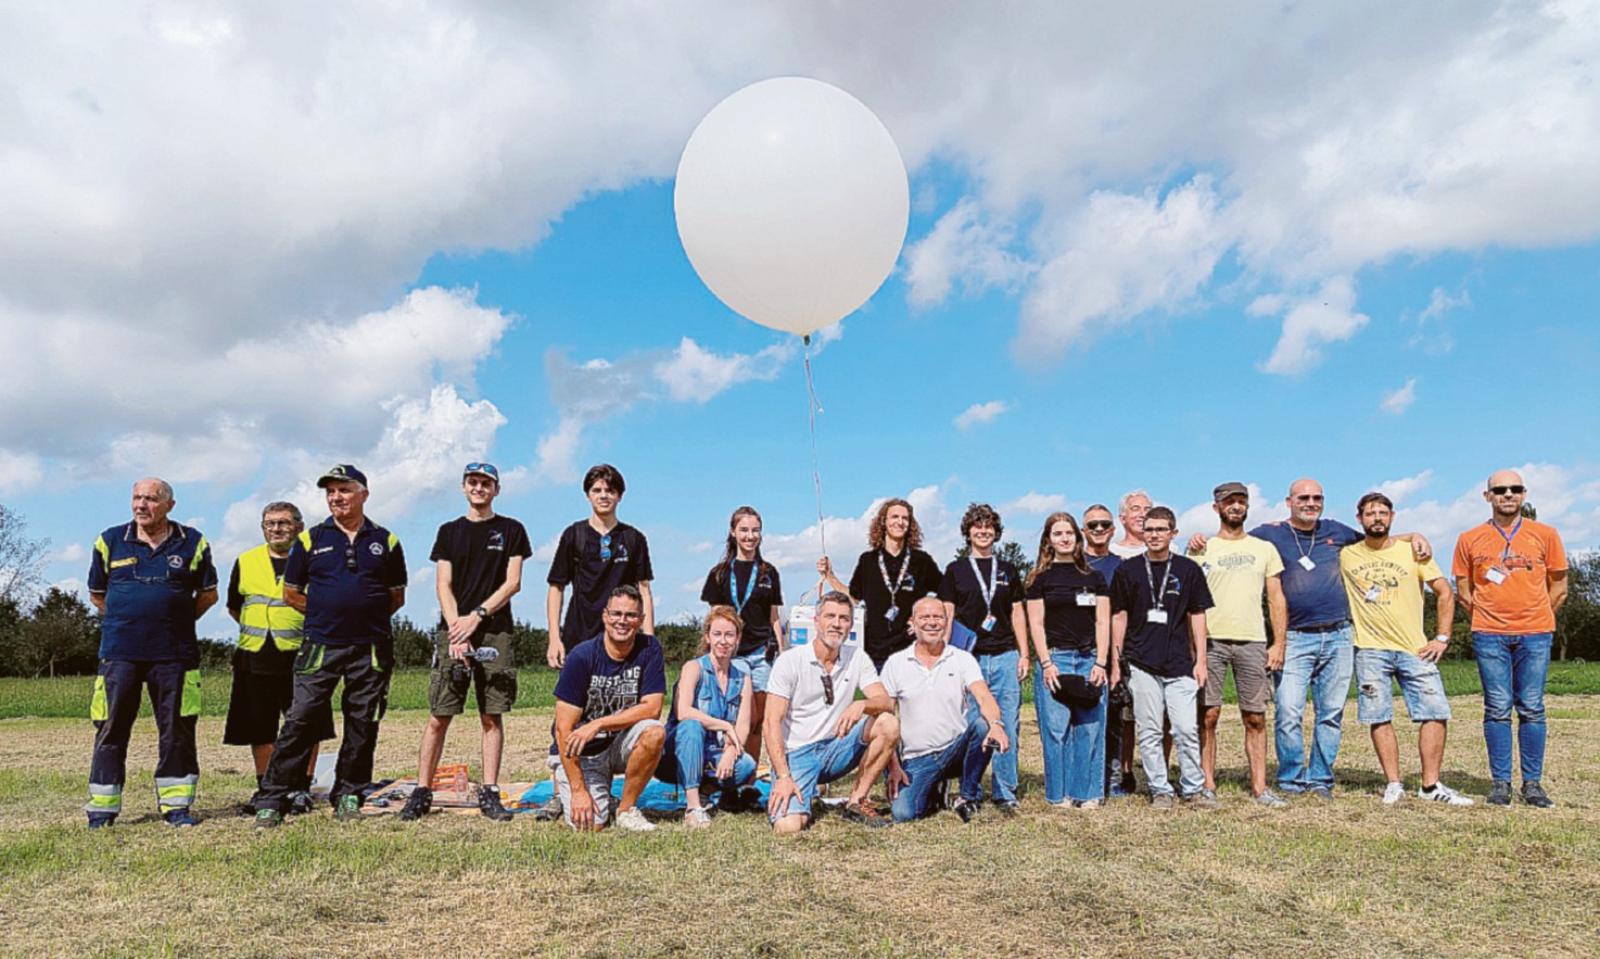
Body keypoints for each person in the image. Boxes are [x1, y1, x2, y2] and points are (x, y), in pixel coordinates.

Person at [1213, 478, 1432, 800]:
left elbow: (1377, 540)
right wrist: (1200, 541)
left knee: (1330, 713)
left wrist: (1414, 536)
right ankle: (1290, 778)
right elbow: (1234, 539)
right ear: (1289, 502)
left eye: (1317, 498)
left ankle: (1320, 778)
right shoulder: (1270, 534)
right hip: (1295, 637)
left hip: (1339, 635)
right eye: (1303, 497)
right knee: (1288, 710)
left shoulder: (1337, 531)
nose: (1310, 503)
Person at [254, 465, 407, 827]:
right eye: (331, 492)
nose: (337, 497)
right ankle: (273, 797)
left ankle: (349, 793)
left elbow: (395, 596)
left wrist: (360, 615)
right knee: (300, 718)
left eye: (344, 490)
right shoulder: (310, 540)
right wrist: (327, 612)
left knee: (363, 721)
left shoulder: (385, 540)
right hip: (321, 644)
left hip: (370, 646)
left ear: (363, 494)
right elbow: (291, 593)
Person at [400, 462, 530, 823]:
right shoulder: (448, 532)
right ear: (463, 487)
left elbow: (513, 582)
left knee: (492, 714)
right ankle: (422, 792)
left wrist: (478, 616)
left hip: (495, 629)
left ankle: (489, 792)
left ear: (496, 489)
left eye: (486, 483)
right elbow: (443, 583)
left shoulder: (512, 530)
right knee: (440, 715)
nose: (479, 488)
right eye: (473, 482)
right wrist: (457, 626)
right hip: (453, 628)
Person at [85, 478, 217, 828]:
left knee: (177, 729)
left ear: (170, 505)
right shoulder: (109, 540)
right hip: (120, 653)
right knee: (111, 728)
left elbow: (208, 595)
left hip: (175, 654)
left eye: (151, 499)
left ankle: (176, 807)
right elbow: (98, 595)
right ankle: (103, 808)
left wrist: (171, 620)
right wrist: (128, 618)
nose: (142, 505)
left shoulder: (193, 542)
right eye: (137, 498)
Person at [1342, 493, 1472, 806]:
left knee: (1436, 712)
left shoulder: (1413, 552)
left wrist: (1442, 637)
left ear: (1392, 516)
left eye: (1383, 513)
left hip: (1415, 648)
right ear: (1359, 518)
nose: (1377, 518)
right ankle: (1394, 783)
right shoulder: (1347, 554)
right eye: (1370, 513)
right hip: (1370, 648)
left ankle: (1430, 785)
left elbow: (1444, 592)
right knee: (1379, 715)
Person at [1452, 469, 1569, 807]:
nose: (1507, 495)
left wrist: (1537, 615)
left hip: (1535, 634)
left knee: (1532, 708)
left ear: (1523, 494)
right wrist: (1488, 615)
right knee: (1497, 709)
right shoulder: (1469, 538)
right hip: (1490, 635)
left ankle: (1532, 784)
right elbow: (1463, 589)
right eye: (1499, 490)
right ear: (1487, 496)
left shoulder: (1545, 534)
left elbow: (1559, 585)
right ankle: (1500, 783)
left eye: (1514, 489)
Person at [222, 501, 333, 816]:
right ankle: (266, 787)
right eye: (270, 523)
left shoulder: (315, 560)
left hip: (304, 655)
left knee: (310, 725)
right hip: (255, 656)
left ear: (299, 526)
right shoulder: (245, 561)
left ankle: (300, 788)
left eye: (284, 523)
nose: (276, 529)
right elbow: (235, 606)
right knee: (260, 728)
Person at [765, 591, 901, 833]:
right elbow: (771, 723)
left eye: (844, 618)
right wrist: (784, 776)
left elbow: (886, 702)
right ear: (816, 621)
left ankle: (856, 801)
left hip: (837, 747)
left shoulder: (857, 657)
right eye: (830, 616)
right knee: (788, 827)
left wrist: (862, 705)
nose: (837, 624)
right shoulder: (790, 661)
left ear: (851, 624)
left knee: (887, 723)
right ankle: (795, 788)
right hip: (797, 754)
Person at [1187, 483, 1288, 808]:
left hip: (1253, 640)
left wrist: (1278, 643)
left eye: (1241, 501)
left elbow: (1275, 598)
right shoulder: (1201, 548)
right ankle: (1207, 784)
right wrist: (1193, 648)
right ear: (1216, 507)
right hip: (1211, 641)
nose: (1235, 506)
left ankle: (1260, 787)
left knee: (1255, 717)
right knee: (1208, 715)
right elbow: (1190, 603)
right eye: (1228, 501)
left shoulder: (1264, 548)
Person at [1109, 506, 1213, 808]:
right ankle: (1160, 789)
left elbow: (1198, 615)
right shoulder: (1128, 570)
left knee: (1184, 729)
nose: (1154, 535)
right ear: (1143, 532)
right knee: (1150, 730)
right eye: (1149, 529)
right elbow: (1119, 616)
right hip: (1142, 662)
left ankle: (1193, 787)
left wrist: (1201, 660)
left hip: (1180, 663)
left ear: (1173, 533)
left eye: (1161, 530)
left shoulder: (1187, 569)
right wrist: (1117, 661)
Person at [880, 598, 1008, 822]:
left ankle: (967, 796)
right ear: (912, 622)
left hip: (955, 749)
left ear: (947, 621)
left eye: (938, 617)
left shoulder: (962, 659)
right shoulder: (896, 663)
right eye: (924, 617)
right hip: (917, 757)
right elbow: (884, 718)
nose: (932, 623)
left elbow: (984, 696)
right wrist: (893, 765)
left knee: (981, 724)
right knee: (903, 814)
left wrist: (996, 725)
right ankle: (934, 791)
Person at [551, 585, 667, 831]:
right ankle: (570, 788)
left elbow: (653, 707)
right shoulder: (581, 657)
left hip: (619, 742)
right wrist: (578, 790)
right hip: (583, 752)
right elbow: (563, 730)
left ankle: (626, 809)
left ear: (641, 620)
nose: (622, 621)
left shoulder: (650, 649)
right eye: (616, 614)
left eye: (631, 615)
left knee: (654, 731)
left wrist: (599, 723)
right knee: (590, 825)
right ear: (605, 616)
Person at [938, 503, 1027, 812]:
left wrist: (1024, 652)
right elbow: (948, 614)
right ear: (968, 532)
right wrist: (945, 655)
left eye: (989, 526)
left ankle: (1005, 792)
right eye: (977, 526)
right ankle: (970, 790)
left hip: (1004, 654)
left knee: (1006, 722)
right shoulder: (955, 570)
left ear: (996, 532)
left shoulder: (1008, 570)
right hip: (968, 658)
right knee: (972, 726)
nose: (983, 531)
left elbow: (1018, 613)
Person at [1025, 512, 1111, 808]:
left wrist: (1101, 662)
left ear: (1077, 538)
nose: (1064, 538)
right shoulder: (1039, 579)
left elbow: (1103, 621)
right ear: (1048, 540)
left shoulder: (1094, 578)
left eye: (1069, 533)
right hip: (1056, 660)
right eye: (1058, 533)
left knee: (1090, 729)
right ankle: (1058, 795)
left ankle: (1087, 793)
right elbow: (1035, 624)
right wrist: (1046, 663)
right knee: (1056, 729)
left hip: (1089, 660)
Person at [654, 606, 758, 827]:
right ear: (707, 637)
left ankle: (706, 791)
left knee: (746, 764)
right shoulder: (693, 668)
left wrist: (731, 750)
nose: (723, 641)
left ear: (738, 638)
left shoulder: (743, 679)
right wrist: (723, 725)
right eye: (717, 634)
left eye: (729, 635)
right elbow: (683, 711)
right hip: (676, 752)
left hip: (713, 753)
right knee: (692, 725)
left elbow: (743, 726)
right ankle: (693, 807)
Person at [546, 463, 654, 669]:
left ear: (620, 496)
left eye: (610, 490)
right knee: (575, 700)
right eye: (597, 490)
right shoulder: (573, 535)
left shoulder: (634, 538)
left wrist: (649, 640)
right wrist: (554, 638)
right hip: (579, 635)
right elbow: (556, 587)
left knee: (626, 700)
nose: (603, 495)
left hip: (623, 637)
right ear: (588, 495)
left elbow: (645, 591)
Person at [816, 497, 942, 671]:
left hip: (912, 649)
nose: (900, 522)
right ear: (884, 521)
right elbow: (854, 597)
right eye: (894, 517)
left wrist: (924, 620)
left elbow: (945, 595)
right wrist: (830, 576)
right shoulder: (868, 561)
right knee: (879, 698)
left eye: (905, 518)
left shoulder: (922, 561)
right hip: (876, 651)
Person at [699, 506, 783, 767]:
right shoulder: (720, 573)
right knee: (736, 716)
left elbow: (774, 617)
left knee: (759, 719)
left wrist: (783, 650)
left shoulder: (769, 572)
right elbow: (713, 617)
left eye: (755, 530)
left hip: (761, 654)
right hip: (732, 655)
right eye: (744, 530)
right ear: (733, 532)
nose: (750, 536)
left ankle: (750, 773)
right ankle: (727, 767)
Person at [1083, 503, 1134, 796]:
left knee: (1113, 717)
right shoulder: (1074, 565)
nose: (1099, 530)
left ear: (1113, 529)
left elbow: (1122, 614)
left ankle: (1113, 779)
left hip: (1114, 651)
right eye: (1093, 525)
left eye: (1104, 524)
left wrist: (1115, 659)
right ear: (1083, 531)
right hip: (1077, 649)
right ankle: (1085, 777)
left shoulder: (1122, 568)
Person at [1110, 490, 1152, 559]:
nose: (1143, 514)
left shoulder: (1168, 549)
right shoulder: (1112, 552)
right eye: (1135, 509)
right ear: (1122, 519)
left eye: (1147, 509)